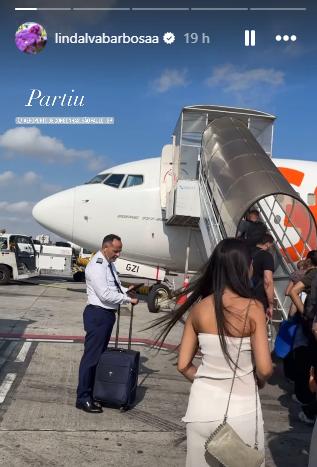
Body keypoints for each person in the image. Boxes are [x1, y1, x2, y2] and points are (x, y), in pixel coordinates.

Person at [152, 238, 272, 466]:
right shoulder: (254, 308)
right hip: (241, 410)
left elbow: (183, 365)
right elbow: (265, 369)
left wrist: (208, 381)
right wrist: (260, 380)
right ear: (245, 267)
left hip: (201, 408)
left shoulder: (198, 309)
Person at [76, 234, 139, 413]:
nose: (118, 254)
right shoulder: (97, 266)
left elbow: (112, 287)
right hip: (98, 314)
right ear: (105, 247)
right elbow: (104, 294)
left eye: (119, 251)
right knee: (91, 358)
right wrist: (128, 300)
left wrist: (127, 290)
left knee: (98, 357)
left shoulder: (108, 264)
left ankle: (93, 393)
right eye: (116, 250)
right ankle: (83, 398)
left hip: (106, 314)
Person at [289, 250, 317, 424]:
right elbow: (293, 291)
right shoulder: (313, 274)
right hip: (311, 324)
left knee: (307, 360)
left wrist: (304, 313)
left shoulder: (311, 274)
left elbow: (293, 291)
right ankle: (308, 406)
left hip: (310, 324)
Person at [251, 233, 275, 319]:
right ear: (268, 244)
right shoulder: (266, 256)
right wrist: (271, 305)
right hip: (258, 299)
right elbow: (267, 281)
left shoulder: (245, 252)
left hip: (241, 294)